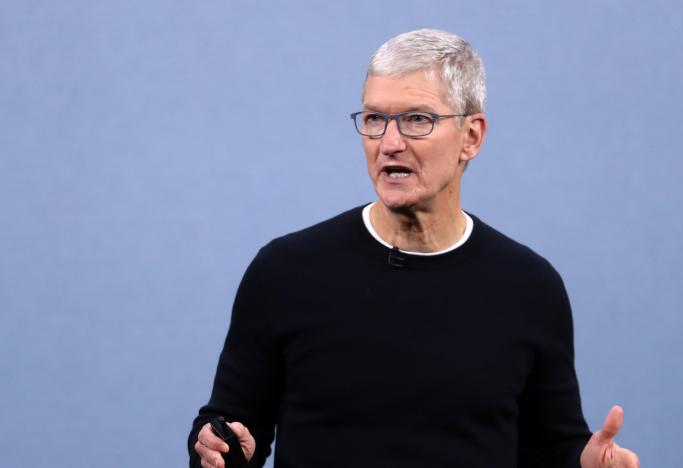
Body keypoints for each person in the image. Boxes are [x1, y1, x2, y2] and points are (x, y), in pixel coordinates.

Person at [188, 28, 640, 468]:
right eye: (374, 119)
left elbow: (550, 450)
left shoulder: (530, 287)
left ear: (472, 137)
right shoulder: (285, 272)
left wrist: (585, 464)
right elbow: (227, 428)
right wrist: (216, 449)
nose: (389, 143)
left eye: (417, 119)